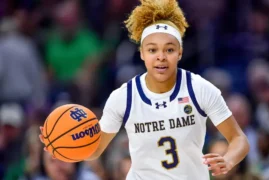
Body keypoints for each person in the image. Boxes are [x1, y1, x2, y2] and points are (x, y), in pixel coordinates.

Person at [40, 0, 249, 179]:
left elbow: (239, 140)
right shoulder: (124, 96)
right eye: (152, 50)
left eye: (169, 49)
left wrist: (228, 160)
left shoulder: (199, 89)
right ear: (141, 53)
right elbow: (95, 150)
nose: (161, 56)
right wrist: (60, 147)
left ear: (180, 53)